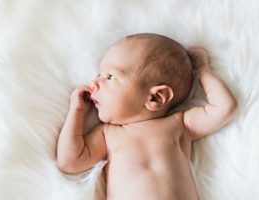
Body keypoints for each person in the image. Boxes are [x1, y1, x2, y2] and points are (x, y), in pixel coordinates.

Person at [56, 33, 237, 200]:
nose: (94, 83)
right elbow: (70, 162)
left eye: (109, 76)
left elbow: (224, 107)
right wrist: (77, 112)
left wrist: (202, 69)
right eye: (98, 75)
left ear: (156, 97)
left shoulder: (180, 125)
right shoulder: (108, 134)